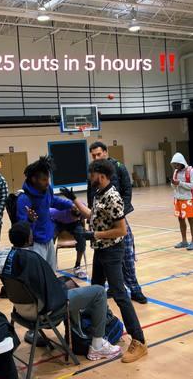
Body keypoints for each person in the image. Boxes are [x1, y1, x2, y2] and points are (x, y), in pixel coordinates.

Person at [0, 221, 122, 361]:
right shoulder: (33, 259)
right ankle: (97, 346)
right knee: (99, 292)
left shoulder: (6, 259)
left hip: (20, 311)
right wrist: (64, 288)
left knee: (66, 281)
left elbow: (42, 286)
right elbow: (52, 292)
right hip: (44, 312)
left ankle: (80, 328)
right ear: (29, 239)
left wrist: (63, 284)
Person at [60, 159, 148, 363]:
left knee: (119, 294)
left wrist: (94, 236)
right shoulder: (100, 194)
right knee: (96, 291)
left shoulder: (113, 197)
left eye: (91, 174)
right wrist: (74, 199)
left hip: (111, 251)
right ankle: (100, 335)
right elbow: (93, 215)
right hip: (100, 251)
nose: (89, 177)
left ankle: (139, 341)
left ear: (100, 174)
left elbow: (122, 230)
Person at [87, 142, 147, 304]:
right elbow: (90, 196)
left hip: (117, 218)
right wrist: (90, 219)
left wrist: (120, 215)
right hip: (100, 222)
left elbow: (127, 191)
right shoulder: (92, 172)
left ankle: (135, 289)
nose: (96, 157)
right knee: (103, 259)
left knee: (126, 256)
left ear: (106, 152)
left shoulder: (119, 167)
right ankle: (112, 288)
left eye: (99, 154)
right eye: (93, 155)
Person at [16, 156, 73, 272]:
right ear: (33, 179)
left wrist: (71, 204)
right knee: (39, 275)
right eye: (44, 180)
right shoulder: (24, 199)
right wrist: (30, 221)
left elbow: (53, 201)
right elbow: (21, 228)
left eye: (48, 179)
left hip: (48, 238)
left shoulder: (47, 190)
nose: (47, 183)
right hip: (35, 243)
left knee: (51, 272)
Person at [171, 153, 193, 251]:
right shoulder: (176, 172)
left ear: (182, 162)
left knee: (190, 219)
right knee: (180, 219)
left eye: (177, 164)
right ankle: (184, 241)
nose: (176, 166)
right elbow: (174, 186)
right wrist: (173, 184)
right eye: (174, 164)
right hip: (178, 199)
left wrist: (180, 183)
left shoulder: (191, 171)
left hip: (188, 199)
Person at [51, 206, 87, 278]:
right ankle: (50, 266)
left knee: (82, 238)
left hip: (75, 224)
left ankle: (77, 265)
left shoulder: (82, 208)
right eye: (74, 217)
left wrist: (83, 230)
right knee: (50, 238)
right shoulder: (57, 212)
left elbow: (83, 220)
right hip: (59, 222)